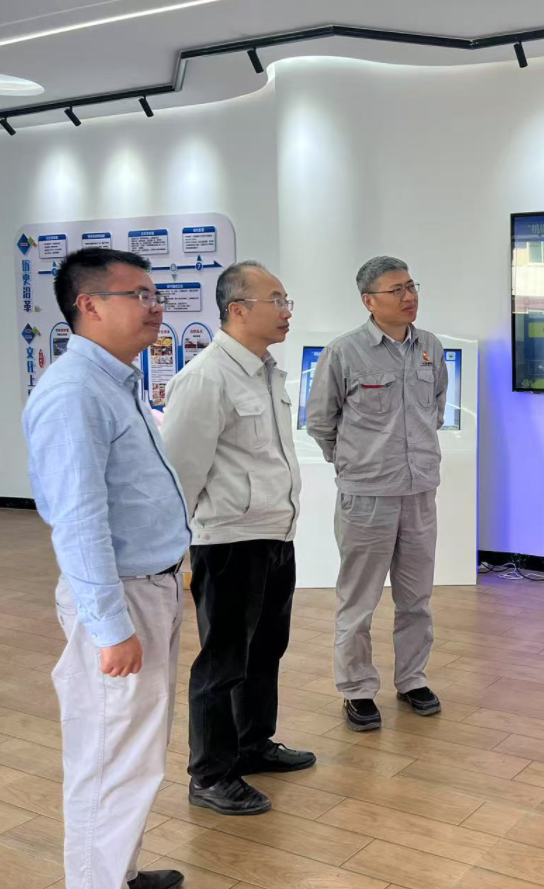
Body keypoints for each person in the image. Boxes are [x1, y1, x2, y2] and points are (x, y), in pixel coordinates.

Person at [22, 247, 189, 889]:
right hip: (121, 597)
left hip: (151, 587)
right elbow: (79, 522)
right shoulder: (74, 394)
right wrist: (111, 627)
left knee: (134, 751)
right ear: (89, 305)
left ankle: (117, 872)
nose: (155, 308)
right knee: (109, 755)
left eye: (155, 295)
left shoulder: (116, 381)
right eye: (138, 296)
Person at [162, 261, 314, 816]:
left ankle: (252, 743)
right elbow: (180, 473)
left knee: (266, 649)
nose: (287, 310)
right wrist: (174, 555)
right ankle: (210, 774)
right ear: (238, 310)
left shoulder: (267, 372)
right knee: (223, 662)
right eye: (277, 300)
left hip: (275, 533)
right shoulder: (205, 378)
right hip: (229, 541)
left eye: (287, 299)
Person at [307, 255, 448, 730]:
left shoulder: (431, 347)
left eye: (411, 286)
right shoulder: (344, 352)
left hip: (419, 492)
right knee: (359, 601)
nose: (409, 297)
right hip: (366, 496)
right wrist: (356, 464)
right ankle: (357, 688)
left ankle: (412, 679)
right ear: (369, 301)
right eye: (396, 290)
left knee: (416, 598)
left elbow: (435, 409)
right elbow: (321, 422)